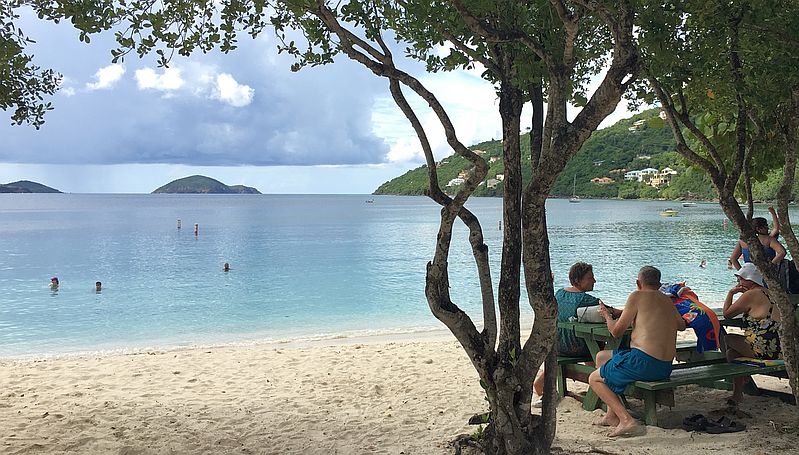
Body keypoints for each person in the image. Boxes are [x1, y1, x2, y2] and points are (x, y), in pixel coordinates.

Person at [588, 266, 686, 437]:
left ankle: (626, 420)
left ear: (638, 283)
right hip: (664, 366)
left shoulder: (636, 296)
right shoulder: (667, 300)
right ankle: (611, 415)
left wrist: (606, 315)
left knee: (594, 379)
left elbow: (616, 332)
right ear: (659, 283)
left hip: (644, 362)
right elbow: (681, 325)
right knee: (601, 357)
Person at [532, 262, 620, 404]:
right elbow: (613, 312)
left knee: (588, 342)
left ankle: (540, 383)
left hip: (558, 345)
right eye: (590, 278)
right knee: (597, 346)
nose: (594, 280)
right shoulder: (586, 300)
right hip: (576, 347)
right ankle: (603, 385)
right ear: (578, 281)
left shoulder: (560, 293)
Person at [723, 262, 782, 404]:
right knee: (732, 354)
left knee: (727, 338)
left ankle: (745, 377)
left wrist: (731, 293)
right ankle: (738, 394)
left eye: (741, 279)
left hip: (764, 348)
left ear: (750, 280)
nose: (738, 282)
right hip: (779, 347)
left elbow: (727, 314)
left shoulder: (750, 294)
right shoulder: (769, 291)